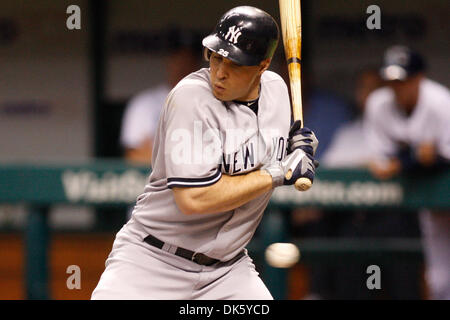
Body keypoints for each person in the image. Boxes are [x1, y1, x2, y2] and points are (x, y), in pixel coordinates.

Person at [92, 6, 319, 300]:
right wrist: (279, 173)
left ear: (262, 66)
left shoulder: (278, 92)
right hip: (152, 263)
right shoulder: (191, 98)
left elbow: (269, 145)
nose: (220, 73)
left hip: (228, 271)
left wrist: (298, 146)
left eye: (234, 63)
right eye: (216, 57)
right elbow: (194, 198)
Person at [364, 45, 450, 299]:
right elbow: (380, 160)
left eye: (403, 81)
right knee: (439, 278)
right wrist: (414, 158)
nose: (397, 87)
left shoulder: (440, 102)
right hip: (430, 199)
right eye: (392, 81)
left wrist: (417, 158)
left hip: (441, 185)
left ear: (419, 78)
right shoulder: (379, 104)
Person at [120, 27, 201, 165]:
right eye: (178, 57)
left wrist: (158, 156)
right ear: (168, 60)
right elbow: (134, 156)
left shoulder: (215, 102)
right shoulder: (144, 104)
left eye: (189, 58)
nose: (183, 63)